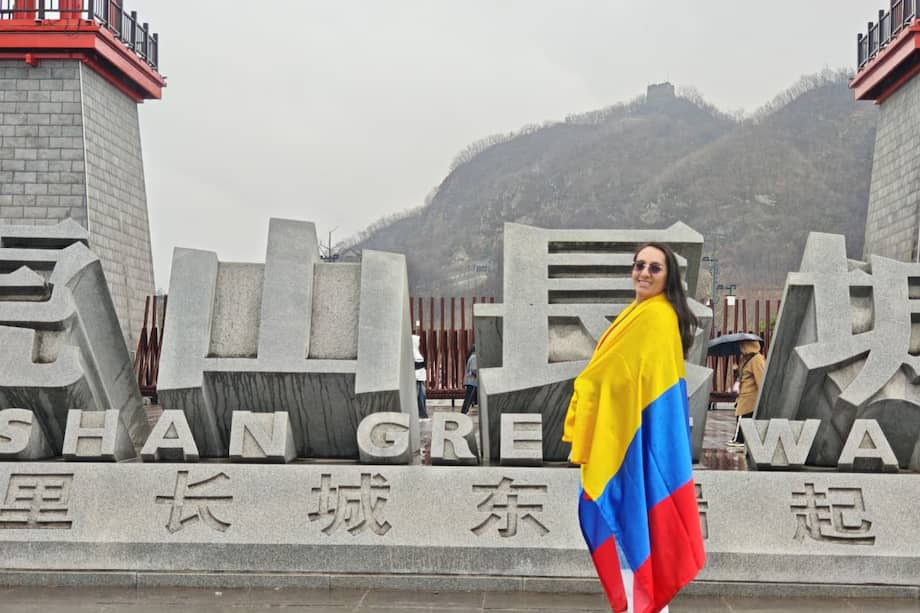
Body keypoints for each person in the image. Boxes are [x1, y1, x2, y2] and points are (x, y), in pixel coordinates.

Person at [562, 242, 705, 612]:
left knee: (634, 517)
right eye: (639, 265)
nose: (643, 272)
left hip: (638, 435)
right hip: (629, 430)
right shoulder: (638, 312)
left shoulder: (657, 317)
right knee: (633, 520)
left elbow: (615, 374)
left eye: (654, 268)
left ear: (668, 276)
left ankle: (644, 606)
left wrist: (587, 386)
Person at [727, 339, 765, 449]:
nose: (740, 348)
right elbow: (743, 375)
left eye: (742, 345)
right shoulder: (746, 358)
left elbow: (760, 377)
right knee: (742, 417)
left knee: (742, 417)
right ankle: (740, 439)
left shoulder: (756, 359)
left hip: (749, 396)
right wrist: (736, 370)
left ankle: (739, 439)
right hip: (743, 394)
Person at [412, 334, 428, 419]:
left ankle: (422, 413)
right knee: (419, 396)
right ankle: (421, 413)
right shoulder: (414, 353)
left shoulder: (416, 352)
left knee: (422, 396)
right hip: (417, 378)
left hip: (420, 378)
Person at [460, 345, 478, 414]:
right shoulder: (474, 357)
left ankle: (464, 412)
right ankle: (464, 412)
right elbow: (474, 370)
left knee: (469, 399)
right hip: (472, 382)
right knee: (468, 399)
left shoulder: (471, 357)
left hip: (470, 382)